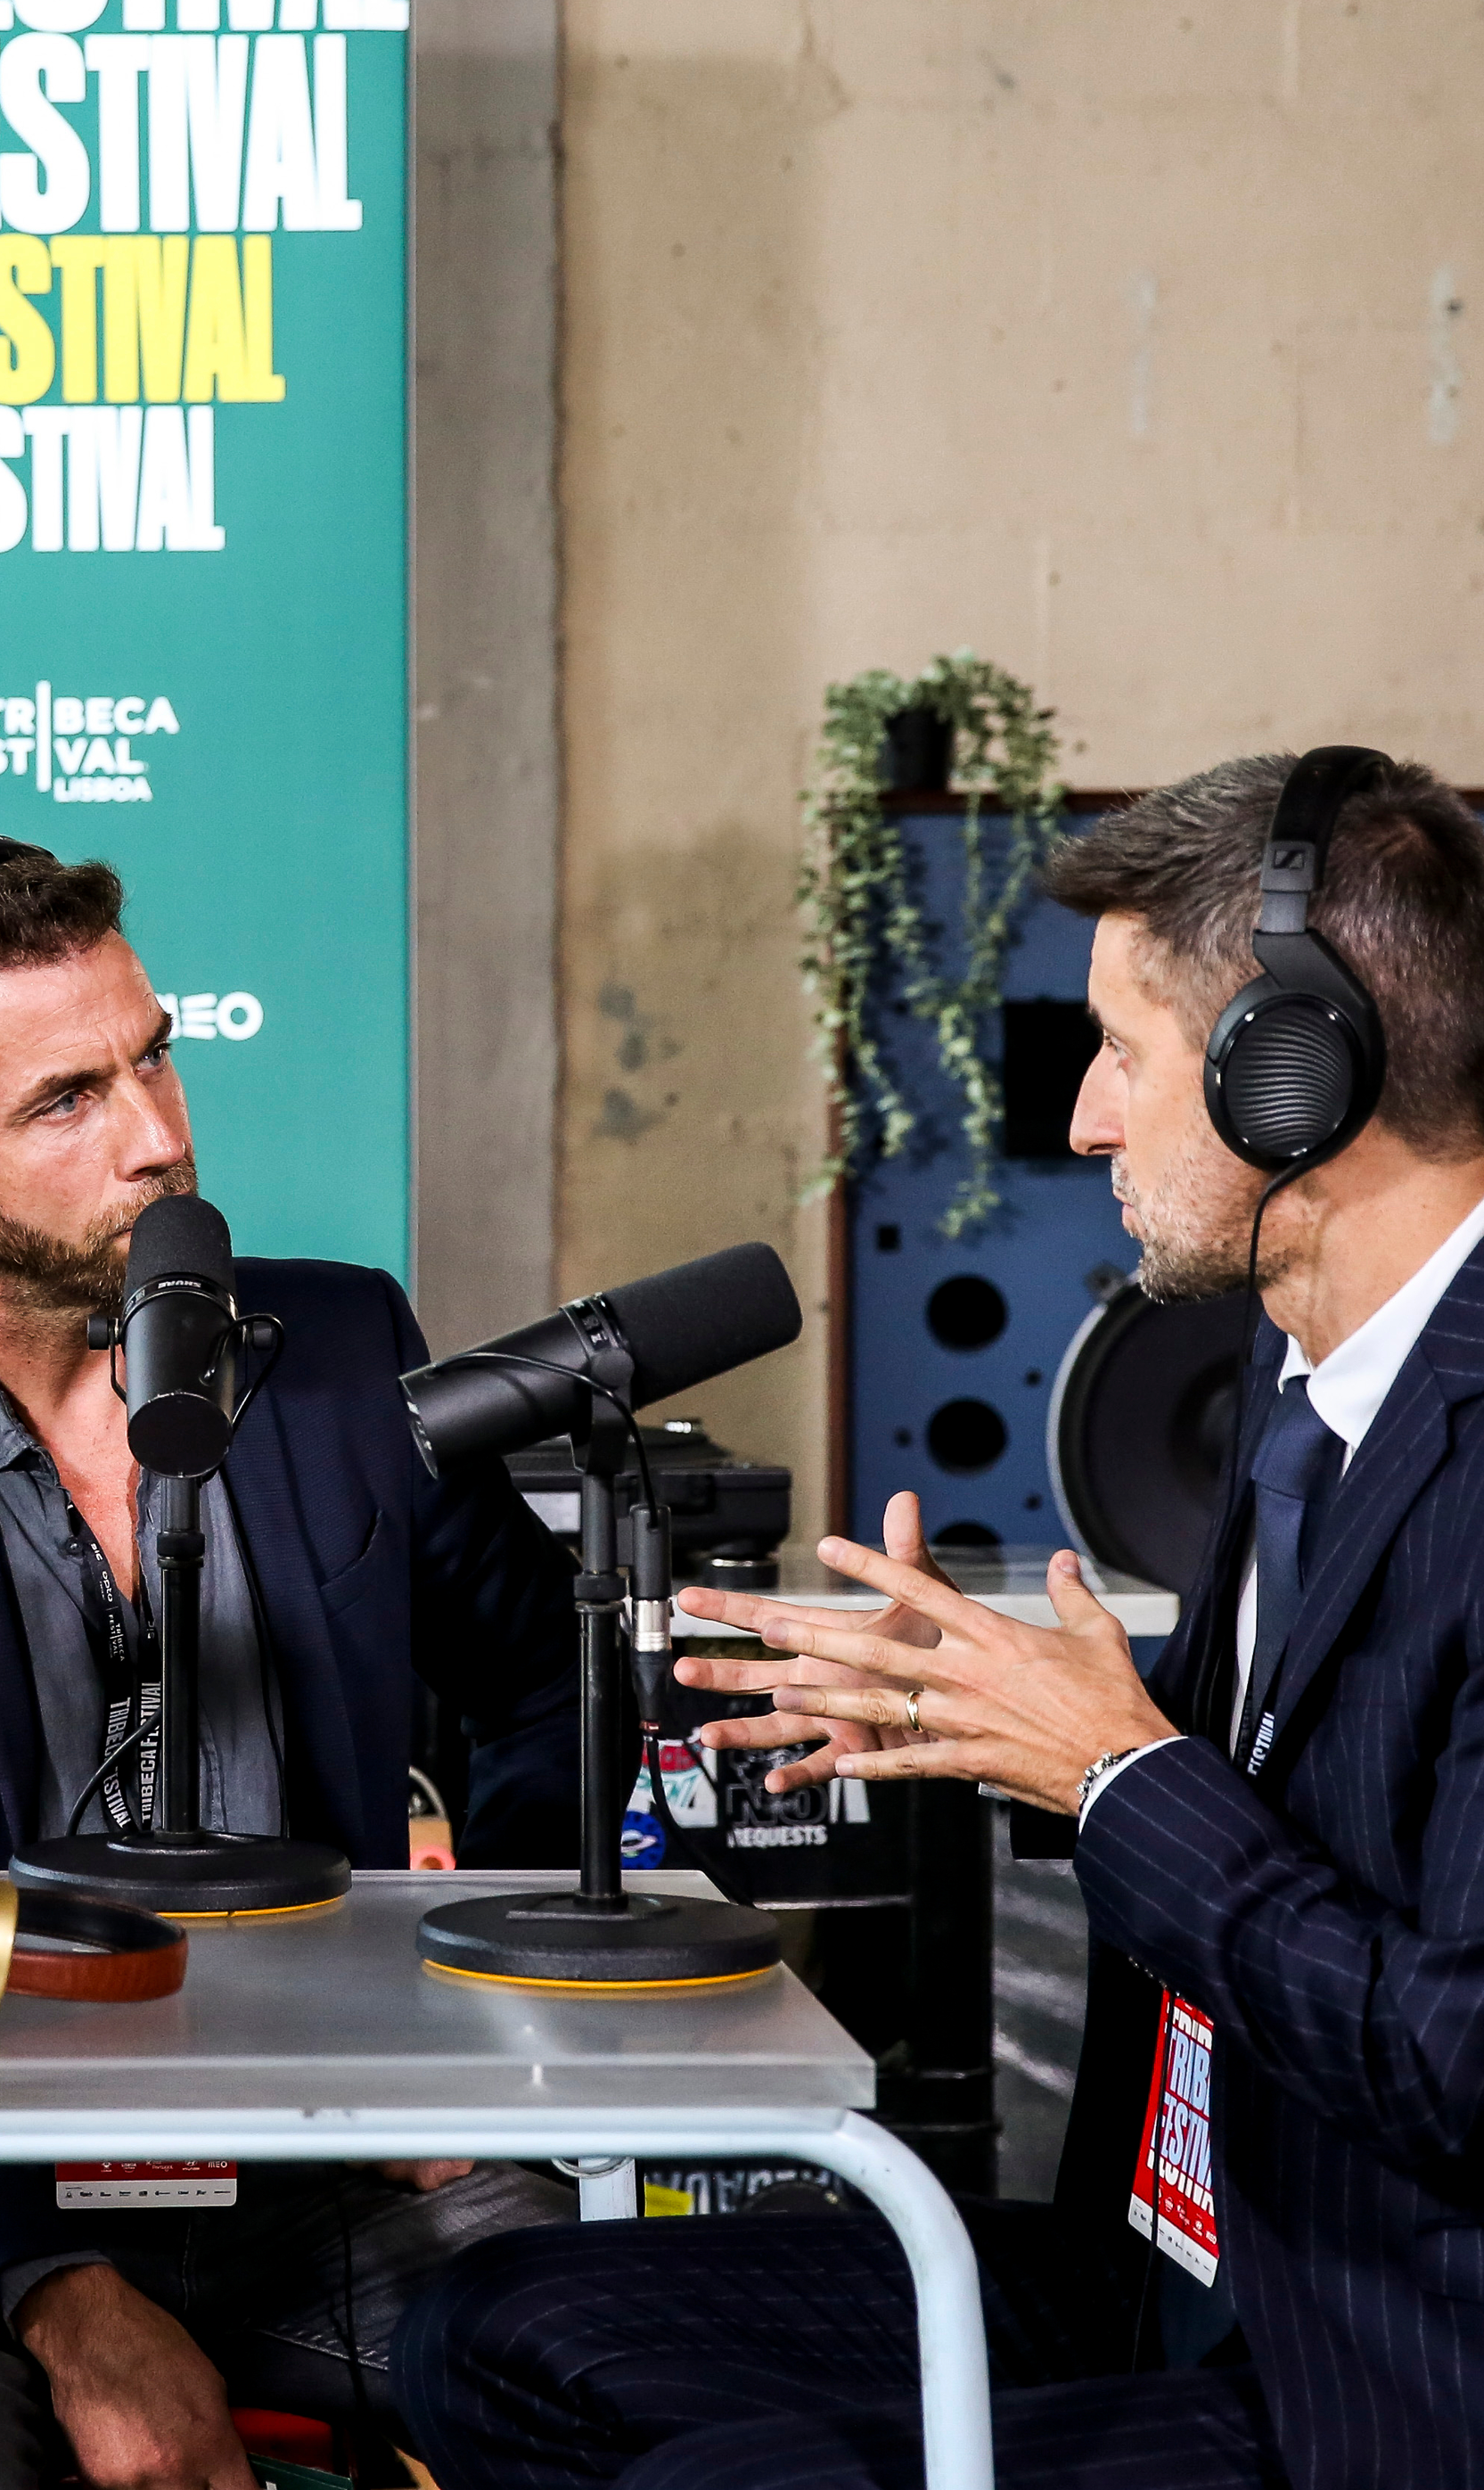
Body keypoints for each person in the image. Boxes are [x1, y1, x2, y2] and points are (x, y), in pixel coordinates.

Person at [391, 750, 1484, 2490]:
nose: (1084, 1120)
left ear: (1302, 1074)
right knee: (493, 2338)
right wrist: (989, 1740)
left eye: (1121, 1052)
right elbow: (1288, 1811)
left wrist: (1120, 1775)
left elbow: (1455, 2061)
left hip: (1379, 2384)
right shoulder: (1300, 1368)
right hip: (1174, 2268)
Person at [0, 839, 583, 2490]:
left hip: (323, 2172)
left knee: (650, 2386)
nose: (160, 1137)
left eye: (155, 1055)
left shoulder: (345, 1351)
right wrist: (60, 2296)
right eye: (69, 1100)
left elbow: (556, 1680)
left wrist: (468, 2042)